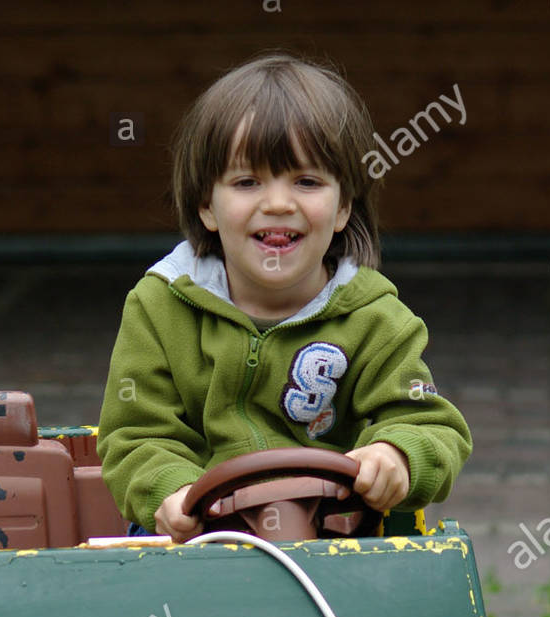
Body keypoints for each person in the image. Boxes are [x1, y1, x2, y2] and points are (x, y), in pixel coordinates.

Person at [97, 53, 471, 541]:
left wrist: (396, 454)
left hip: (339, 541)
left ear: (342, 209)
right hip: (203, 540)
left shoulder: (376, 319)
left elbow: (430, 424)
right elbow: (136, 436)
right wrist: (171, 491)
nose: (277, 203)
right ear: (207, 206)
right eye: (248, 181)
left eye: (307, 181)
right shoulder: (160, 307)